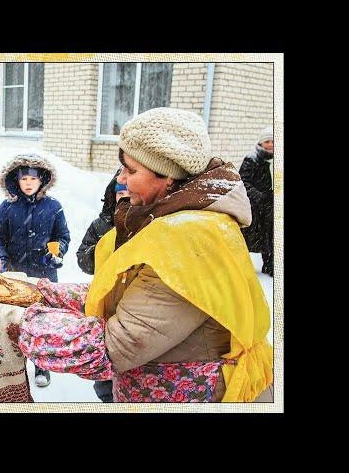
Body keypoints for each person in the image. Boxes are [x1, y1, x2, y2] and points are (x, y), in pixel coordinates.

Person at [18, 107, 273, 403]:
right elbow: (126, 294)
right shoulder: (164, 221)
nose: (121, 180)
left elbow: (114, 346)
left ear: (168, 176)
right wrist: (41, 293)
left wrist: (19, 321)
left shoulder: (188, 241)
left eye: (131, 170)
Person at [0, 153, 71, 387]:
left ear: (42, 180)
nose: (28, 183)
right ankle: (14, 368)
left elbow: (62, 236)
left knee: (42, 322)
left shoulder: (53, 207)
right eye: (23, 178)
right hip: (16, 275)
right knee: (16, 321)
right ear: (16, 180)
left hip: (45, 274)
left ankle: (41, 367)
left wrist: (57, 253)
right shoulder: (6, 208)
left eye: (33, 179)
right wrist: (3, 262)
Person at [76, 170, 130, 402]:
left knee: (127, 348)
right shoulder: (102, 225)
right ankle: (106, 392)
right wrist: (103, 251)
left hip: (131, 299)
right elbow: (83, 258)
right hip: (105, 300)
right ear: (112, 195)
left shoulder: (147, 222)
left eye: (129, 191)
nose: (125, 196)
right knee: (106, 351)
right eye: (121, 192)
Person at [240, 126, 274, 276]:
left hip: (271, 207)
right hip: (255, 207)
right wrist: (259, 197)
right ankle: (242, 268)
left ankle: (269, 265)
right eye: (267, 141)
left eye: (273, 141)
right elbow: (244, 182)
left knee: (270, 237)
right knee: (249, 238)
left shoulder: (275, 160)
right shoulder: (251, 159)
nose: (271, 144)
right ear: (260, 143)